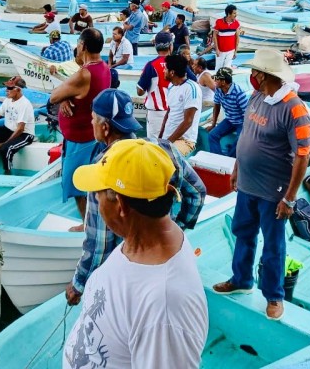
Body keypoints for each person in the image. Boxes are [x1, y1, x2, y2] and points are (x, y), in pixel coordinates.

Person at [63, 138, 208, 369]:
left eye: (98, 195)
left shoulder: (165, 307)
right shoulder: (143, 237)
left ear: (120, 204)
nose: (97, 204)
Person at [64, 89, 206, 306]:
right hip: (163, 256)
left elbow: (99, 244)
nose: (91, 124)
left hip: (128, 273)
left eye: (93, 120)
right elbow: (197, 192)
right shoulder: (163, 150)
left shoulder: (104, 169)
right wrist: (177, 227)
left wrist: (79, 284)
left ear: (104, 127)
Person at [212, 49, 310, 321]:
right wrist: (236, 167)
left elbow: (303, 154)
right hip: (246, 184)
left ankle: (274, 295)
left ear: (266, 75)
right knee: (242, 232)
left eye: (255, 72)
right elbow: (246, 133)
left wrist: (290, 198)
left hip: (273, 191)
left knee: (273, 245)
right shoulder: (257, 96)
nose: (252, 76)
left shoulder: (294, 108)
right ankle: (241, 279)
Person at [49, 28, 111, 220]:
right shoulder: (104, 68)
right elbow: (69, 93)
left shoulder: (84, 74)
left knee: (78, 186)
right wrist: (65, 99)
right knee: (92, 181)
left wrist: (62, 98)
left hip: (79, 140)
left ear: (82, 45)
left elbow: (53, 96)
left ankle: (87, 225)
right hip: (93, 136)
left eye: (78, 43)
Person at [159, 54, 202, 156]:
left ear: (172, 72)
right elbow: (169, 113)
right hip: (168, 138)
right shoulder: (171, 87)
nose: (164, 71)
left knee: (163, 157)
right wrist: (160, 138)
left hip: (184, 140)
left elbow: (188, 121)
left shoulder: (192, 89)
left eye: (166, 69)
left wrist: (167, 143)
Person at [137, 31, 176, 140]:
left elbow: (140, 92)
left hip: (156, 114)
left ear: (155, 46)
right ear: (170, 46)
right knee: (172, 147)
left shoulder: (151, 65)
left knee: (155, 146)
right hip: (175, 112)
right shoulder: (178, 63)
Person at [207, 67, 248, 157]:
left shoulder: (238, 93)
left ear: (223, 81)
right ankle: (217, 158)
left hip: (242, 122)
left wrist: (246, 130)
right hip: (229, 120)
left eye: (217, 79)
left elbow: (247, 114)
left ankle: (229, 159)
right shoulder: (218, 89)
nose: (215, 81)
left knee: (240, 141)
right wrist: (213, 124)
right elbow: (217, 105)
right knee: (212, 135)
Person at [207, 4, 240, 69]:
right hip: (221, 50)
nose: (236, 15)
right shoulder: (219, 22)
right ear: (228, 14)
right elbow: (214, 36)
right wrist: (217, 49)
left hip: (231, 50)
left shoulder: (236, 23)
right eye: (234, 13)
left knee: (226, 68)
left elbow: (237, 38)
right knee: (218, 68)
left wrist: (235, 51)